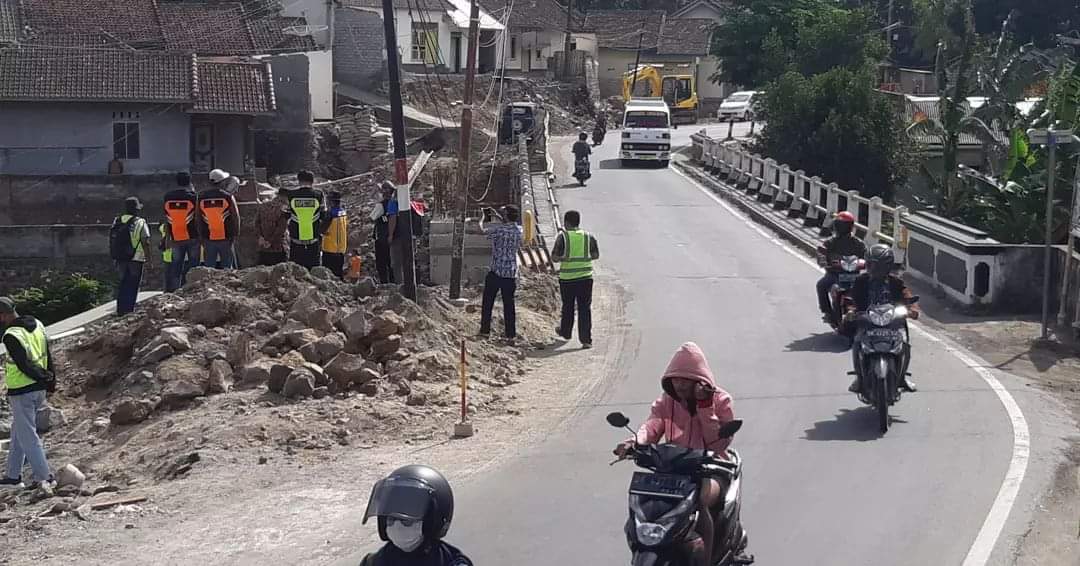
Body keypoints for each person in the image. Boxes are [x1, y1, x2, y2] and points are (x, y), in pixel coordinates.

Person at [613, 342, 737, 566]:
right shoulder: (668, 401)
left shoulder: (720, 400)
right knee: (645, 505)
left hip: (711, 469)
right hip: (673, 469)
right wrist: (634, 442)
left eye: (684, 380)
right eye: (675, 379)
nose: (678, 384)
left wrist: (704, 406)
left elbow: (717, 443)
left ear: (699, 380)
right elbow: (652, 425)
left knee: (698, 501)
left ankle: (706, 559)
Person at [360, 465, 473, 566]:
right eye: (391, 519)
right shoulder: (373, 563)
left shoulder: (451, 562)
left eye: (407, 521)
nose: (397, 526)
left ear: (431, 522)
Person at [846, 244, 920, 393]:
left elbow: (907, 295)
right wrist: (851, 311)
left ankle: (902, 377)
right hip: (868, 321)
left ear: (887, 266)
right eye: (870, 264)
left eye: (877, 265)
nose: (873, 268)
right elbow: (851, 298)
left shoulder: (895, 282)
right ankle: (860, 378)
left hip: (892, 322)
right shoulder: (861, 281)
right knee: (857, 342)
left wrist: (912, 309)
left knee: (904, 343)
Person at [0, 297, 56, 489]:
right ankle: (13, 476)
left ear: (4, 314)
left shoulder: (11, 335)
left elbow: (24, 364)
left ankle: (45, 476)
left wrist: (43, 376)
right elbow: (47, 354)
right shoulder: (38, 324)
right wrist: (50, 379)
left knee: (28, 436)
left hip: (22, 390)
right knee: (19, 431)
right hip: (37, 388)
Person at [552, 210, 599, 349]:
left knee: (568, 306)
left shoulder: (563, 237)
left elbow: (554, 257)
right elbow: (596, 255)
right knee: (585, 308)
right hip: (585, 278)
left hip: (567, 279)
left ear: (566, 223)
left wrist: (563, 258)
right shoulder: (588, 236)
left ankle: (566, 332)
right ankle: (586, 340)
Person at [478, 206, 524, 341]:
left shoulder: (498, 230)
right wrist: (499, 216)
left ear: (506, 216)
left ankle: (485, 331)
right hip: (510, 273)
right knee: (509, 305)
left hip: (496, 272)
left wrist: (482, 219)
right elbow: (508, 224)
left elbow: (481, 231)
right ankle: (510, 335)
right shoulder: (519, 230)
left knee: (488, 302)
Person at [815, 211, 867, 325]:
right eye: (840, 225)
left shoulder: (858, 243)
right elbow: (822, 253)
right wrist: (823, 260)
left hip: (854, 275)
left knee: (867, 289)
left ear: (850, 226)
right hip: (834, 274)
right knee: (821, 285)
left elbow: (866, 256)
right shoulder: (830, 242)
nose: (842, 228)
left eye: (845, 225)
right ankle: (827, 312)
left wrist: (871, 263)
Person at [162, 172, 200, 291]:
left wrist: (167, 237)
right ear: (189, 182)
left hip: (175, 236)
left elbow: (167, 218)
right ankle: (192, 291)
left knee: (176, 267)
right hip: (192, 236)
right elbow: (198, 217)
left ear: (177, 182)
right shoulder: (193, 197)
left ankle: (175, 292)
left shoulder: (168, 197)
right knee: (193, 267)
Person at [112, 197, 151, 315]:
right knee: (133, 284)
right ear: (136, 209)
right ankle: (129, 310)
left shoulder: (117, 220)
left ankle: (121, 309)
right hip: (136, 258)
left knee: (123, 283)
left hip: (120, 258)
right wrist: (149, 259)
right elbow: (146, 241)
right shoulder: (140, 222)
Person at [199, 169, 241, 269]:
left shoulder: (201, 197)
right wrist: (236, 233)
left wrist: (201, 236)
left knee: (209, 269)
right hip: (226, 237)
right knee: (227, 267)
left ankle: (209, 285)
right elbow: (236, 216)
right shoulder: (228, 197)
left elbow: (198, 218)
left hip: (208, 237)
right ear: (222, 182)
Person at [288, 170, 329, 270]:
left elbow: (286, 214)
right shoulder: (319, 195)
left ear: (299, 181)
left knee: (296, 272)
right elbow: (324, 216)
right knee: (314, 271)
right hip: (313, 241)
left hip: (296, 241)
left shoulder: (291, 195)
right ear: (312, 181)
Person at [254, 187, 291, 266]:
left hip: (263, 247)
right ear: (286, 197)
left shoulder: (263, 205)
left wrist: (261, 238)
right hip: (278, 247)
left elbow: (256, 223)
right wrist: (270, 241)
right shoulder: (284, 209)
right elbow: (281, 229)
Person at [370, 181, 398, 283]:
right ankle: (393, 281)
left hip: (381, 238)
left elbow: (372, 217)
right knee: (391, 261)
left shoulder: (381, 205)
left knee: (381, 262)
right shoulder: (395, 203)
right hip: (394, 237)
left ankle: (385, 283)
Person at [322, 191, 349, 277]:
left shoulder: (330, 213)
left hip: (330, 249)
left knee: (329, 275)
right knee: (339, 273)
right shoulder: (343, 212)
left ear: (331, 201)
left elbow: (321, 229)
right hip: (341, 249)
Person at [159, 223, 173, 290]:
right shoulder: (166, 227)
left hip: (166, 255)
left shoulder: (162, 227)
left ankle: (166, 290)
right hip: (173, 254)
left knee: (167, 275)